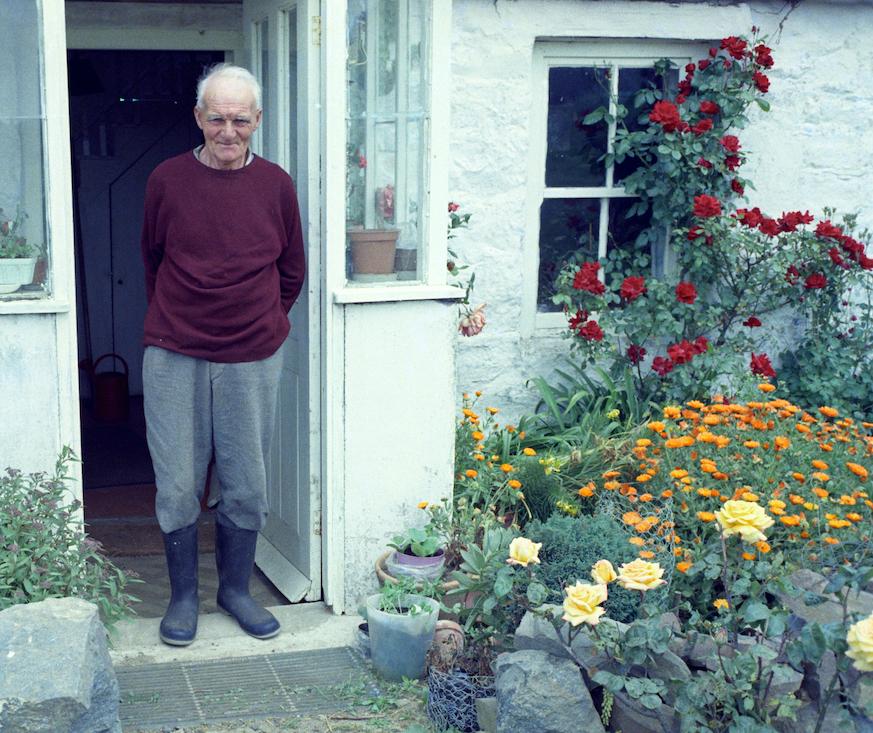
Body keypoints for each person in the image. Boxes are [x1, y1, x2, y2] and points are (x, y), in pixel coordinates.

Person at [140, 63, 306, 646]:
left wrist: (261, 322)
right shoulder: (165, 179)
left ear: (257, 120)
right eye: (217, 118)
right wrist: (183, 318)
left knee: (246, 482)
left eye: (240, 119)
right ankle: (183, 597)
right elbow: (152, 260)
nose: (228, 131)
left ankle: (235, 591)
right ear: (198, 118)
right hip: (174, 352)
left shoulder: (277, 185)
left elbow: (292, 271)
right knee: (178, 482)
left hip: (252, 355)